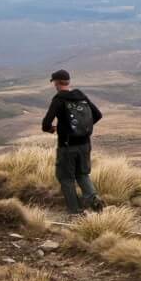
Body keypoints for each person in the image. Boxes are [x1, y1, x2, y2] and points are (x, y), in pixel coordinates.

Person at [41, 69, 104, 214]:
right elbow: (98, 115)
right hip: (85, 144)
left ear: (56, 83)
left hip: (67, 146)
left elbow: (45, 124)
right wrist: (81, 129)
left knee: (66, 178)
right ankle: (93, 199)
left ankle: (75, 212)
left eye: (54, 82)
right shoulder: (81, 96)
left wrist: (52, 129)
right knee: (82, 174)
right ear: (68, 82)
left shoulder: (59, 99)